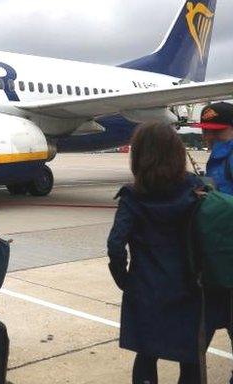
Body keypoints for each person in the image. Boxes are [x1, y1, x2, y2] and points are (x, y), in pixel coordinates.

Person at [107, 122, 205, 384]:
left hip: (145, 285)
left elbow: (115, 245)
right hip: (188, 285)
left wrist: (124, 279)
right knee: (190, 357)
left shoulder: (133, 196)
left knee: (146, 355)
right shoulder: (196, 190)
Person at [191, 102, 233, 384]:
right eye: (207, 131)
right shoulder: (216, 157)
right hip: (216, 256)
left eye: (216, 132)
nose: (208, 137)